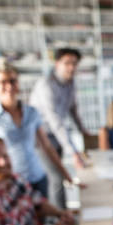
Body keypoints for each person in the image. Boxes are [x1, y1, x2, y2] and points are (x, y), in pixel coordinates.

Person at [0, 58, 74, 199]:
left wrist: (65, 174)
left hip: (37, 177)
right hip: (10, 182)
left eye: (12, 81)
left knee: (43, 218)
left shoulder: (32, 112)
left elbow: (47, 146)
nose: (9, 86)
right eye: (2, 82)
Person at [30, 47, 89, 209]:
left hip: (57, 134)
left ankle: (62, 213)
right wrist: (74, 152)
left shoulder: (70, 83)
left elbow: (73, 109)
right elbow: (55, 121)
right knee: (56, 177)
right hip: (42, 136)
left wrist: (83, 131)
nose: (71, 67)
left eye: (74, 63)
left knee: (60, 176)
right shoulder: (46, 85)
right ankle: (61, 218)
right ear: (57, 64)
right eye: (67, 63)